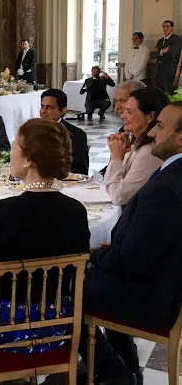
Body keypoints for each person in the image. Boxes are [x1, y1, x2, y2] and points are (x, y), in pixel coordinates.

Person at [0, 119, 90, 349]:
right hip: (59, 322)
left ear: (29, 160)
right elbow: (76, 278)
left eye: (14, 148)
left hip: (7, 327)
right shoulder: (77, 211)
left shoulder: (3, 212)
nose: (11, 155)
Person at [79, 102, 182, 385]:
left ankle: (114, 372)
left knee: (65, 286)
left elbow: (130, 261)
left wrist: (95, 256)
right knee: (91, 275)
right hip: (160, 280)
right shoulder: (172, 175)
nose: (152, 133)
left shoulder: (167, 189)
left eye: (160, 126)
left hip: (153, 295)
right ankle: (128, 363)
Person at [104, 88, 169, 206]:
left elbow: (119, 197)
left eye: (129, 112)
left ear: (150, 117)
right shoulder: (137, 142)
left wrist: (116, 156)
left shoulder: (149, 151)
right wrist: (122, 154)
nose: (122, 116)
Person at [40, 89, 89, 175]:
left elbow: (81, 170)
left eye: (50, 107)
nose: (43, 111)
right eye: (42, 106)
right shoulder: (34, 131)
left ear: (62, 110)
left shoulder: (76, 134)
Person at [150, 20, 182, 94]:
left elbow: (170, 55)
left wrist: (157, 52)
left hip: (169, 73)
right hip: (157, 73)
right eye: (163, 26)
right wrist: (162, 51)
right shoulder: (160, 41)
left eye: (167, 26)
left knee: (170, 96)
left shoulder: (177, 39)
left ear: (172, 28)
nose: (165, 28)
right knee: (157, 96)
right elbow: (151, 55)